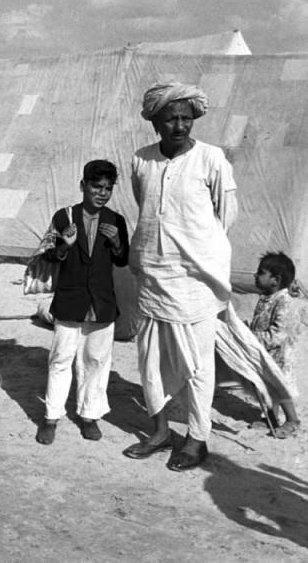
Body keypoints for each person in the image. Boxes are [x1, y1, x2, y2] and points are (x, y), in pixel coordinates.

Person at [122, 83, 237, 472]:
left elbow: (226, 215)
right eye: (170, 118)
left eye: (186, 118)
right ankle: (159, 432)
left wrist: (197, 250)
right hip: (153, 275)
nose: (179, 125)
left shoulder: (211, 159)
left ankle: (197, 438)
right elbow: (147, 206)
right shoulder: (142, 160)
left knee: (197, 365)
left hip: (195, 281)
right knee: (150, 359)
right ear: (154, 121)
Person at [35, 160, 129, 445]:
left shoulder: (116, 221)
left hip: (101, 302)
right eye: (96, 187)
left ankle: (90, 416)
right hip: (70, 299)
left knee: (97, 360)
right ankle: (51, 417)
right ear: (83, 186)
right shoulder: (64, 217)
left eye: (107, 188)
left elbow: (123, 259)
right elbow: (47, 254)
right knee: (61, 358)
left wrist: (115, 244)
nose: (101, 193)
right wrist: (65, 245)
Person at [248, 251, 301, 437]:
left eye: (261, 273)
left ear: (275, 280)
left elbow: (278, 335)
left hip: (279, 356)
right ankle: (271, 417)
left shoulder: (284, 301)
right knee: (269, 388)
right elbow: (261, 322)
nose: (255, 276)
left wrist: (252, 337)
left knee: (280, 389)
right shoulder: (266, 298)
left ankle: (292, 420)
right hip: (267, 354)